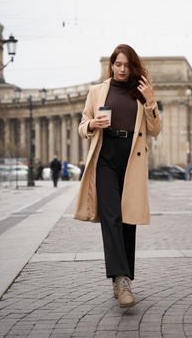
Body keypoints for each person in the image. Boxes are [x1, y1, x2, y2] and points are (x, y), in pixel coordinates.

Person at [74, 44, 161, 308]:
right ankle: (122, 281)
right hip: (105, 158)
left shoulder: (140, 92)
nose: (122, 69)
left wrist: (151, 100)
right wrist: (91, 124)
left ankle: (121, 278)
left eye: (127, 65)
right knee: (110, 217)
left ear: (133, 66)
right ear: (112, 64)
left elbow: (155, 129)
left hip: (131, 161)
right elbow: (82, 124)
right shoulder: (97, 91)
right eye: (118, 64)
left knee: (127, 219)